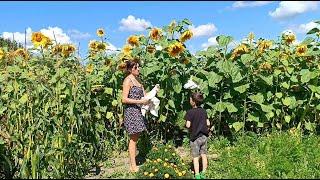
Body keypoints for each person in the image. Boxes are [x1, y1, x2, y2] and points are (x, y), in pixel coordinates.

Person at [122, 59, 149, 173]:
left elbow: (144, 95)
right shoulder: (128, 81)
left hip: (138, 111)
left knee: (136, 137)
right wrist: (139, 102)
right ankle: (133, 166)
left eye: (138, 67)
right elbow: (124, 99)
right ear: (129, 69)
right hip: (132, 112)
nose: (138, 69)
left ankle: (134, 163)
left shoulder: (138, 80)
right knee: (133, 139)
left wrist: (151, 95)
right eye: (135, 68)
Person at [185, 92, 210, 179]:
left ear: (193, 102)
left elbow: (188, 125)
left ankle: (197, 175)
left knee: (195, 157)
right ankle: (204, 173)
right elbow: (208, 123)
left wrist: (187, 126)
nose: (189, 101)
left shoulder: (190, 112)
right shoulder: (204, 111)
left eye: (190, 99)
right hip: (204, 136)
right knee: (204, 155)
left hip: (195, 137)